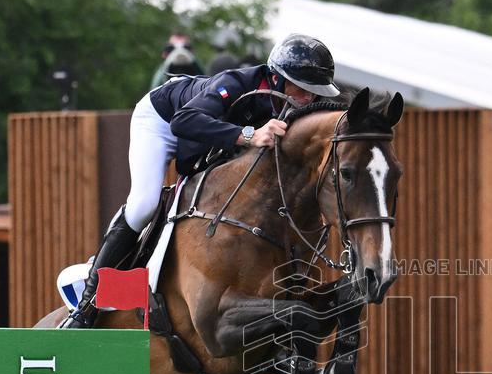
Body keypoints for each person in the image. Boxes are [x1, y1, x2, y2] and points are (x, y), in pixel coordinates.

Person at [62, 33, 339, 329]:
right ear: (277, 78)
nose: (308, 98)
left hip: (207, 142)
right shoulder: (237, 83)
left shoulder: (297, 106)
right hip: (162, 121)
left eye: (315, 93)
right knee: (144, 204)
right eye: (303, 89)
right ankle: (87, 304)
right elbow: (183, 121)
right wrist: (249, 135)